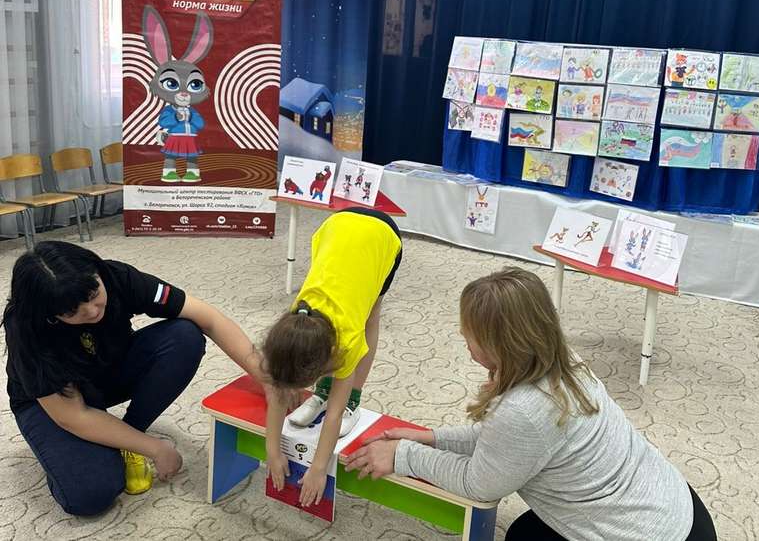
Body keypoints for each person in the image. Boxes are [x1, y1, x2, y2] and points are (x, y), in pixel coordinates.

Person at [344, 267, 717, 541]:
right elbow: (501, 441)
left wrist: (404, 455)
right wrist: (432, 438)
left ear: (499, 344)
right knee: (527, 529)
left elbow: (479, 484)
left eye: (469, 333)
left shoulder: (524, 409)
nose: (462, 336)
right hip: (676, 506)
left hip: (650, 532)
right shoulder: (564, 361)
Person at [2, 241, 266, 516]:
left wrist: (268, 379)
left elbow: (209, 318)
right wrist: (156, 448)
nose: (91, 311)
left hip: (105, 371)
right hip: (51, 402)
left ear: (96, 271)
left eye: (93, 294)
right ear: (47, 312)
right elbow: (72, 416)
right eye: (71, 311)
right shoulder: (26, 327)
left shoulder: (117, 276)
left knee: (184, 336)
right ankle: (77, 450)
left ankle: (130, 431)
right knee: (91, 493)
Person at [260, 207, 402, 508]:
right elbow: (277, 393)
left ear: (324, 364)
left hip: (380, 236)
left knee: (370, 313)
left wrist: (318, 469)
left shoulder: (346, 342)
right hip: (335, 227)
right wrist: (272, 450)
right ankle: (321, 393)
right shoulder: (290, 330)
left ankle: (354, 401)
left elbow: (333, 416)